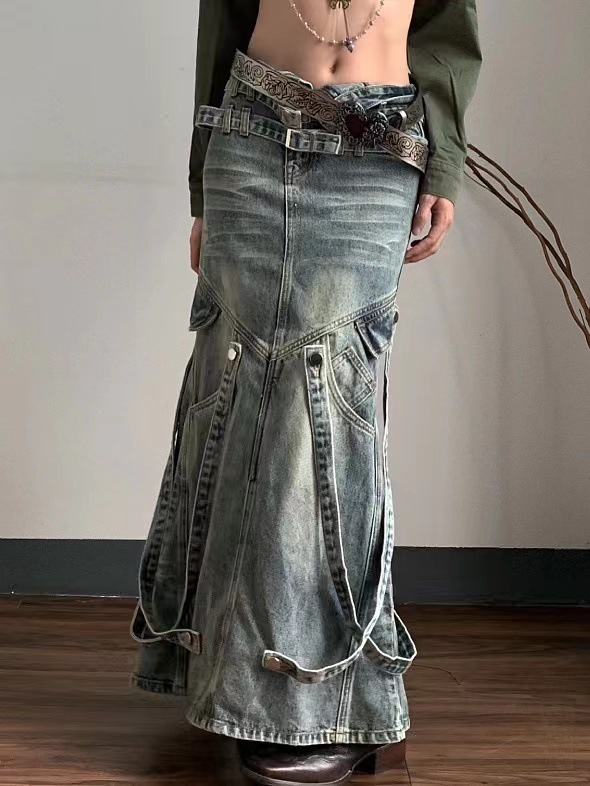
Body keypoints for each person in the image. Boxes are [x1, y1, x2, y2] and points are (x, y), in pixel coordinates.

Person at [129, 1, 482, 784]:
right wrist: (202, 186)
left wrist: (445, 167)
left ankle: (332, 699)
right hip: (250, 131)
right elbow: (222, 24)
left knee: (331, 418)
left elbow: (447, 32)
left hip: (377, 146)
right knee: (232, 396)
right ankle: (233, 683)